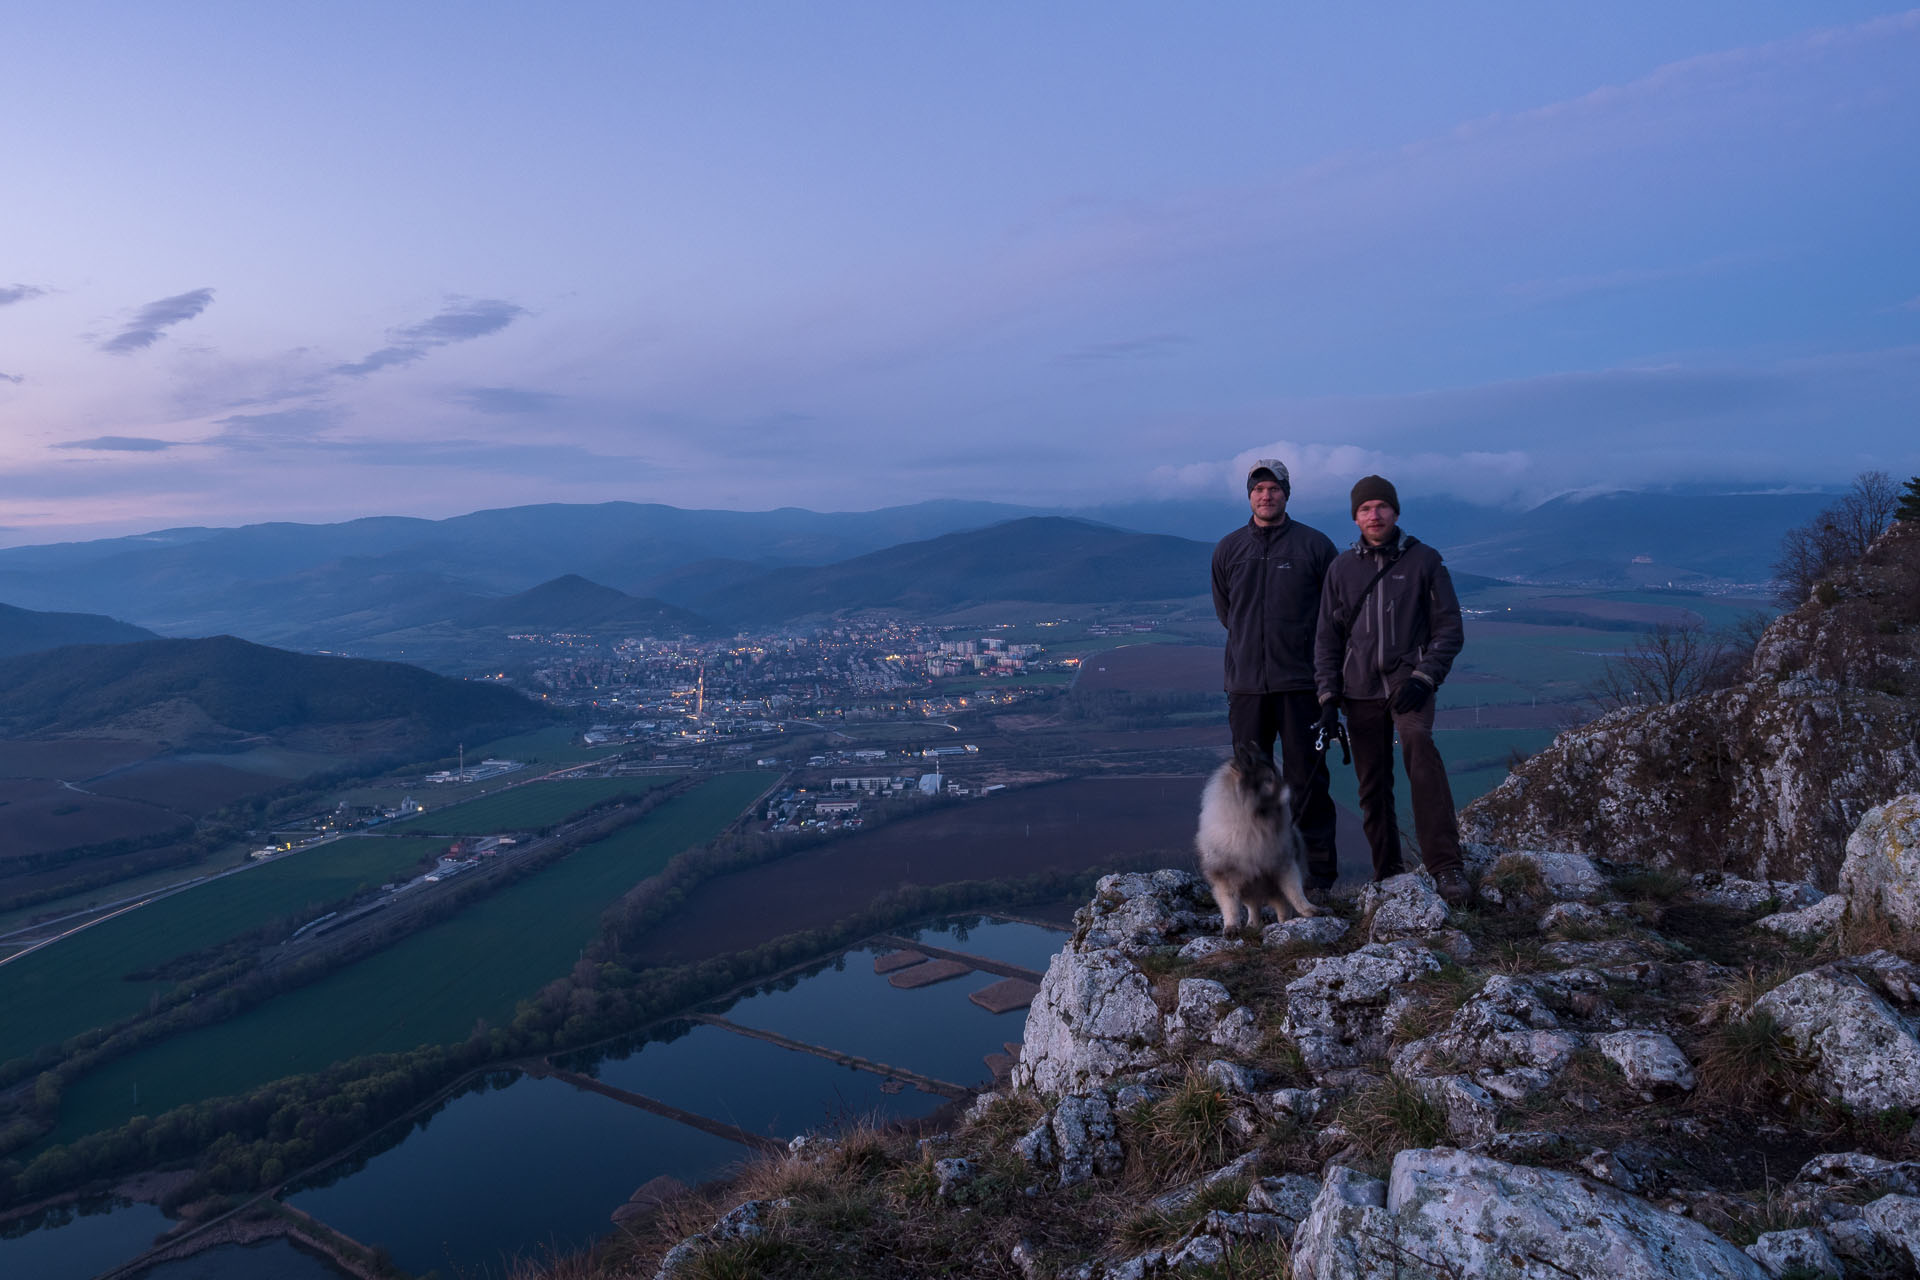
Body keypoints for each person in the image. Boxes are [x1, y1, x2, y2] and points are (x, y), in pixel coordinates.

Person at [1313, 475, 1471, 906]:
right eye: (1365, 509)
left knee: (1420, 750)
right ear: (1355, 517)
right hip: (1359, 689)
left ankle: (1445, 867)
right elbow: (1326, 639)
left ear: (1396, 512)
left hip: (1410, 685)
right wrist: (1328, 697)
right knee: (1371, 784)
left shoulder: (1425, 561)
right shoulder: (1342, 569)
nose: (1374, 514)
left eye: (1382, 506)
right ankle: (1388, 874)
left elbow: (1449, 629)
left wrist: (1424, 678)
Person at [1211, 458, 1340, 893]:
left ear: (1287, 493)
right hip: (1246, 687)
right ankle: (1256, 878)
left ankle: (1317, 878)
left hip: (1302, 686)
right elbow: (1230, 614)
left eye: (1274, 488)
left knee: (1308, 783)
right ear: (1249, 495)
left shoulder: (1315, 547)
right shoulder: (1229, 549)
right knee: (1249, 787)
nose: (1266, 496)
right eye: (1258, 489)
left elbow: (1333, 616)